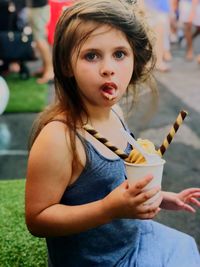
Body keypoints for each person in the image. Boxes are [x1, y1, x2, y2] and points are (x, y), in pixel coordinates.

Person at [25, 0, 200, 266]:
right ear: (66, 65)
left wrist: (162, 198)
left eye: (119, 54)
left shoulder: (115, 113)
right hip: (98, 260)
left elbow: (116, 183)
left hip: (132, 239)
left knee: (187, 248)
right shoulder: (59, 138)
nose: (108, 68)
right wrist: (108, 209)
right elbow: (37, 220)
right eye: (91, 55)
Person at [26, 0, 54, 84]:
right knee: (40, 39)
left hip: (39, 8)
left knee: (40, 39)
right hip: (36, 7)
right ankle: (46, 68)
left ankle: (50, 71)